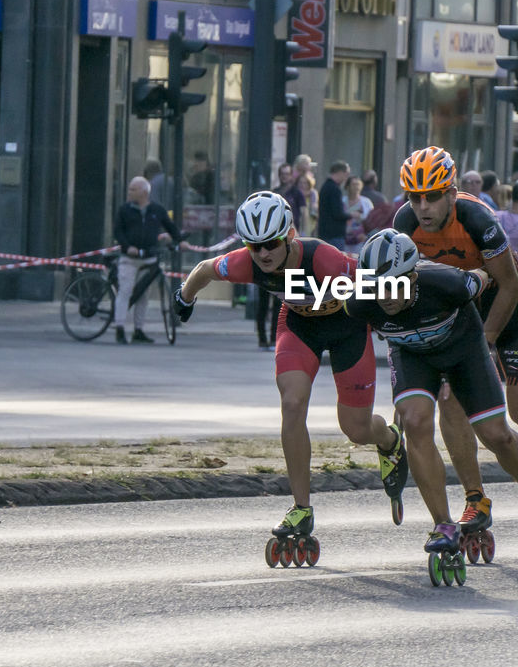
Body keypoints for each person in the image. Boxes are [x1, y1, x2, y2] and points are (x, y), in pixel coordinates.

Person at [173, 192, 405, 557]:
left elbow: (380, 285)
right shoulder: (248, 264)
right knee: (292, 403)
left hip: (346, 328)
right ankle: (301, 508)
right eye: (254, 246)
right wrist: (183, 299)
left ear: (290, 236)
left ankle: (389, 439)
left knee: (355, 430)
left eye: (272, 244)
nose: (263, 254)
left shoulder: (324, 259)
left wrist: (401, 329)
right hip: (300, 327)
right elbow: (203, 270)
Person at [346, 230, 518, 564]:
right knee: (415, 422)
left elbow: (492, 276)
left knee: (496, 435)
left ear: (412, 276)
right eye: (376, 286)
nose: (384, 294)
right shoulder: (359, 303)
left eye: (393, 284)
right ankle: (443, 525)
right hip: (413, 355)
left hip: (464, 351)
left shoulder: (449, 283)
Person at [393, 147, 518, 542]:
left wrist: (486, 343)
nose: (423, 207)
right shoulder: (404, 224)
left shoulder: (477, 218)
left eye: (432, 196)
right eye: (415, 197)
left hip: (509, 306)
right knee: (450, 400)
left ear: (451, 193)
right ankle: (476, 499)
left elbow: (511, 286)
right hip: (460, 311)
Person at [113, 177, 186, 345]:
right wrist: (126, 246)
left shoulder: (157, 210)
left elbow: (171, 227)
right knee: (125, 292)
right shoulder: (124, 210)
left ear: (144, 192)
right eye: (130, 189)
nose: (129, 192)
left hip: (149, 259)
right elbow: (118, 232)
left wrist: (180, 240)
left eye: (133, 189)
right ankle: (120, 329)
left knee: (143, 296)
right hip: (129, 259)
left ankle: (138, 330)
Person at [315, 161, 351, 250]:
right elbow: (337, 213)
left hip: (325, 233)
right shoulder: (334, 189)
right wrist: (351, 215)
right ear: (340, 172)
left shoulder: (326, 186)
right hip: (334, 235)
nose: (346, 178)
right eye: (346, 174)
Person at [274, 162, 307, 233]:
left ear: (291, 176)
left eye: (287, 174)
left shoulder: (297, 193)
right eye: (282, 174)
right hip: (276, 231)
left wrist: (303, 231)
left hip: (293, 232)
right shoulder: (274, 193)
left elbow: (303, 213)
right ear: (279, 175)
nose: (284, 176)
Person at [343, 175, 372, 251]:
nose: (356, 187)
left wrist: (361, 216)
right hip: (343, 239)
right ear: (348, 186)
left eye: (358, 184)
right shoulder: (342, 201)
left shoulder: (366, 202)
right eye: (353, 184)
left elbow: (372, 220)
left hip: (360, 241)